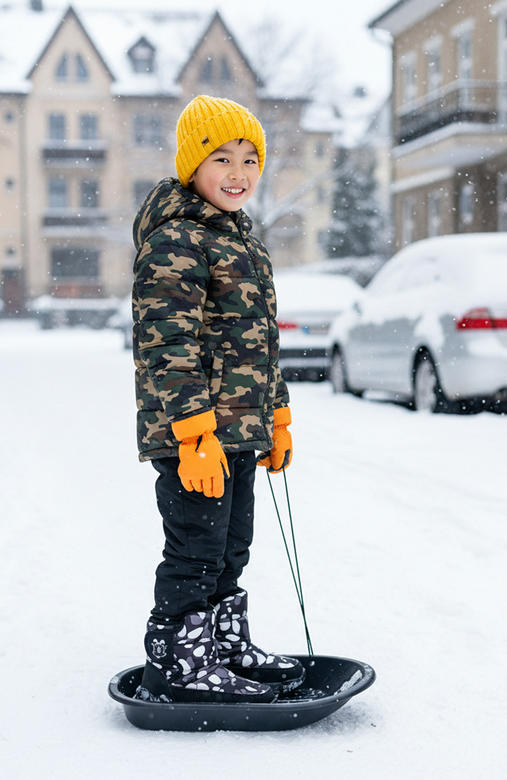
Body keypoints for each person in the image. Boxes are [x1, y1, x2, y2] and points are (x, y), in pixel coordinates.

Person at [131, 95, 304, 704]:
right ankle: (178, 664)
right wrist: (192, 435)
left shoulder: (244, 245)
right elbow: (166, 346)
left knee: (232, 545)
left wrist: (276, 415)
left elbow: (258, 345)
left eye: (251, 158)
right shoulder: (175, 241)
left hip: (238, 432)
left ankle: (222, 647)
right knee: (196, 548)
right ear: (191, 166)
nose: (239, 173)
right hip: (194, 436)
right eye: (222, 157)